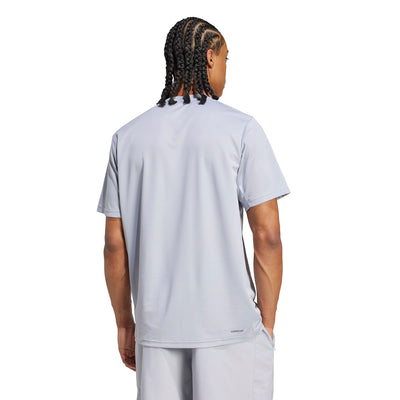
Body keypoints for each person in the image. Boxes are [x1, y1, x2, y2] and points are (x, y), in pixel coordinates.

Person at [97, 16, 291, 400]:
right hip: (231, 330)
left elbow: (114, 246)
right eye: (225, 60)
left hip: (156, 330)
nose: (225, 73)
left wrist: (125, 324)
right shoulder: (241, 129)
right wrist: (267, 323)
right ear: (209, 57)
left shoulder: (127, 138)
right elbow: (267, 235)